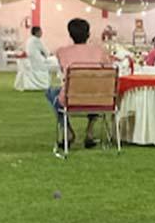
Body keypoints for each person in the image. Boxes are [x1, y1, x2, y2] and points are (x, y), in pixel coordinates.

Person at [46, 18, 112, 149]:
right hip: (99, 97)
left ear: (70, 35)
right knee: (93, 87)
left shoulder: (62, 52)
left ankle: (67, 130)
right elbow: (108, 70)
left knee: (51, 93)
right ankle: (90, 130)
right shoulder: (100, 51)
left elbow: (63, 71)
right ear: (88, 34)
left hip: (72, 97)